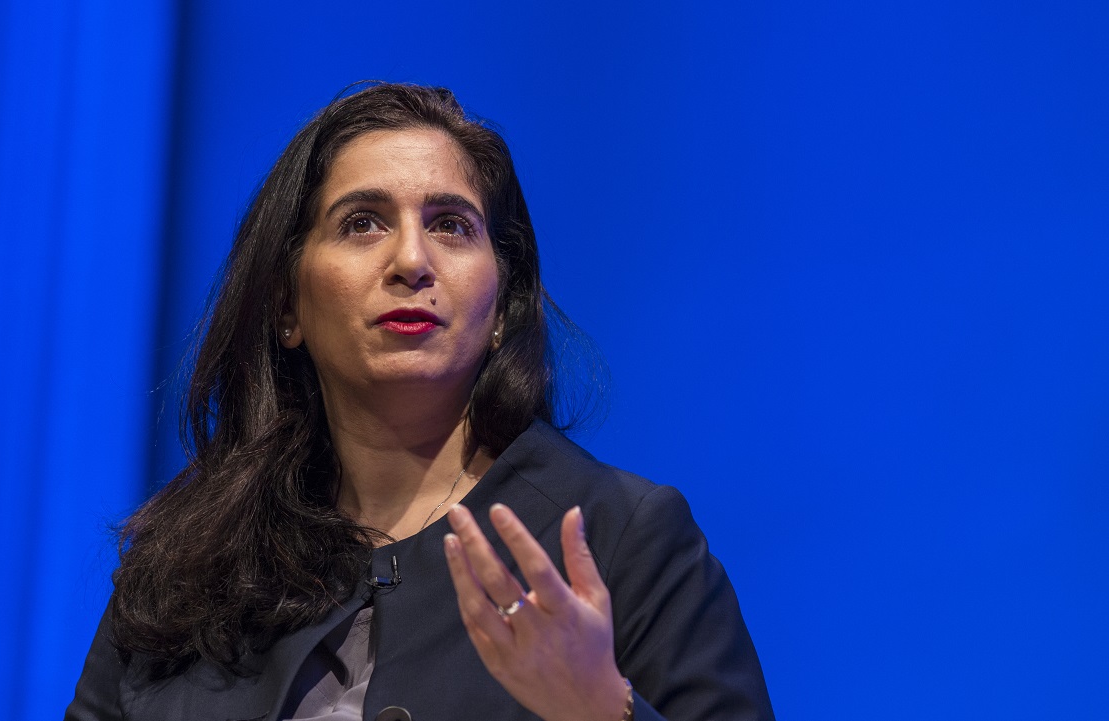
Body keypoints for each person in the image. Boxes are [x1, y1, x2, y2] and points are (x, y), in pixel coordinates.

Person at [65, 83, 775, 721]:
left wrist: (603, 711)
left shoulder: (619, 539)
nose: (411, 260)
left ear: (502, 303)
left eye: (451, 225)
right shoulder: (188, 565)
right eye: (362, 223)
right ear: (287, 304)